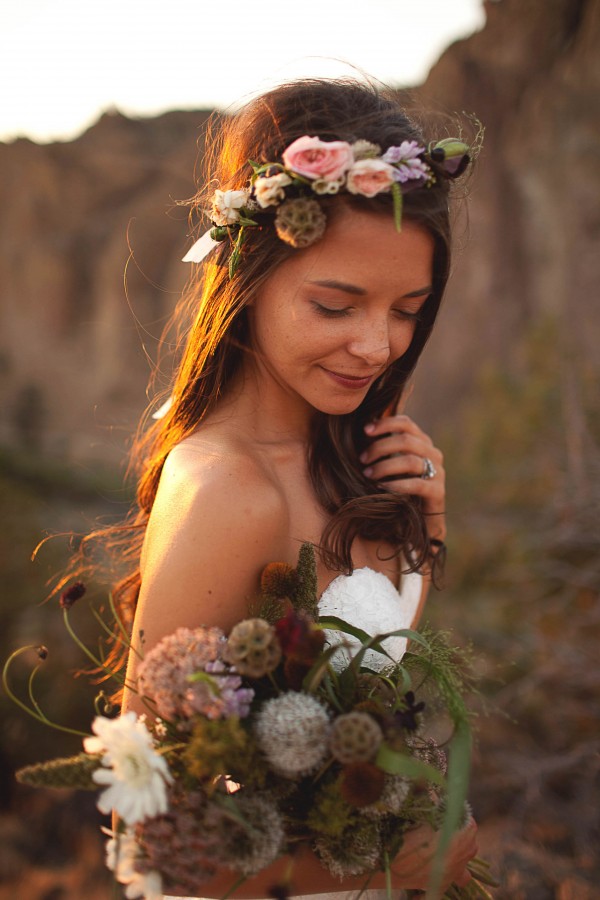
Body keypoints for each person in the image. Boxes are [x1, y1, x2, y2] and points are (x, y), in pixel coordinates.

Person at [113, 77, 478, 897]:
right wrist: (383, 864)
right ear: (247, 273)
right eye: (335, 305)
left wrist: (427, 526)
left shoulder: (344, 449)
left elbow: (372, 664)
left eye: (409, 309)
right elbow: (143, 834)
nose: (380, 346)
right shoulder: (229, 494)